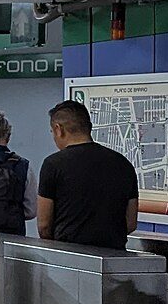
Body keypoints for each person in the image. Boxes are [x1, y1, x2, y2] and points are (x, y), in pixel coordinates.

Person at [37, 99, 139, 249]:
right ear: (89, 127)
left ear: (59, 129)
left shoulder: (53, 165)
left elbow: (44, 226)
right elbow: (130, 223)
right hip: (114, 257)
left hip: (69, 258)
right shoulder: (123, 164)